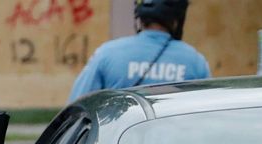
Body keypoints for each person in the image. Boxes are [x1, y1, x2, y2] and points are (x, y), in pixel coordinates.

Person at [69, 0, 208, 100]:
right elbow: (207, 115)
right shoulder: (195, 61)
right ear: (177, 19)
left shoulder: (107, 53)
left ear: (140, 18)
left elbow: (77, 107)